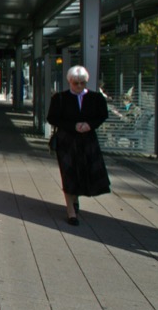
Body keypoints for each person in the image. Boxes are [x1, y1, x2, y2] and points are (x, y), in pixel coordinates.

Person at [46, 65, 111, 225]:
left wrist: (90, 125)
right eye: (76, 83)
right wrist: (73, 126)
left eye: (82, 82)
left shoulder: (96, 98)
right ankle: (71, 211)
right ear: (69, 81)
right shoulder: (59, 98)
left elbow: (103, 115)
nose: (79, 86)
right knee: (68, 174)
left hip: (88, 142)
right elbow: (52, 118)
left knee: (84, 172)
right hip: (67, 142)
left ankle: (75, 198)